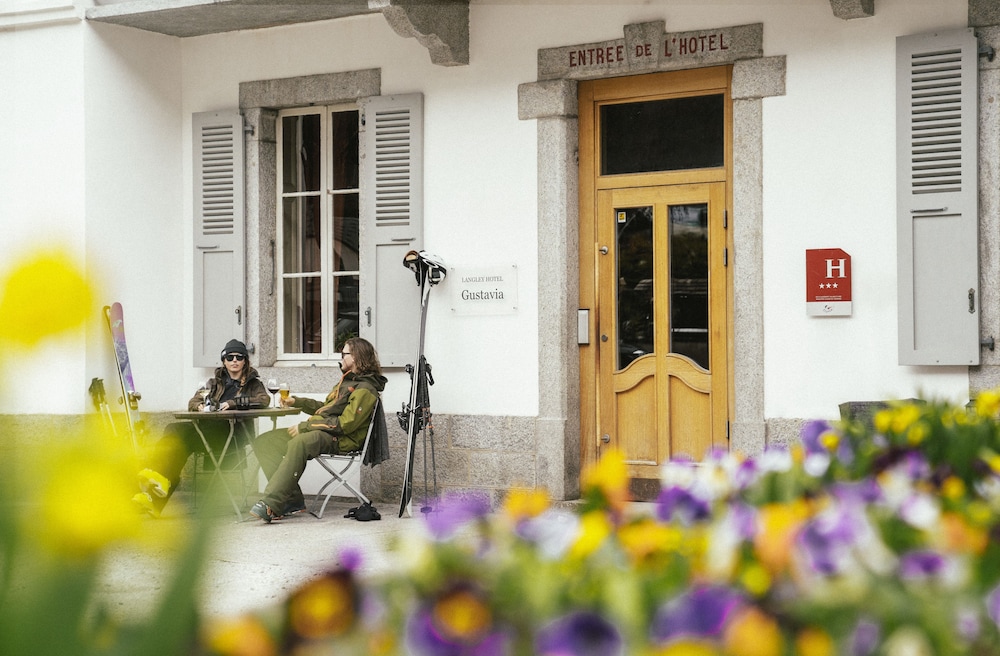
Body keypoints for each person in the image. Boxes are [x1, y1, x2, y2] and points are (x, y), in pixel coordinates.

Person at [250, 337, 386, 523]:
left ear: (355, 357)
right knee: (265, 442)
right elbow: (325, 408)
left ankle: (271, 503)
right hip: (325, 432)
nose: (341, 358)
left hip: (343, 439)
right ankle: (292, 500)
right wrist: (296, 401)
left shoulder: (365, 389)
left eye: (344, 354)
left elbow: (345, 424)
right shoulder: (347, 382)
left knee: (300, 442)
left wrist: (305, 426)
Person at [133, 339, 270, 516]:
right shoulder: (214, 383)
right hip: (206, 432)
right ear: (224, 361)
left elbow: (263, 400)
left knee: (177, 431)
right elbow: (194, 400)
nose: (234, 360)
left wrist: (233, 403)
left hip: (232, 435)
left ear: (245, 361)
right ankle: (156, 494)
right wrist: (198, 407)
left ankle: (157, 481)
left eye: (239, 357)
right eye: (230, 357)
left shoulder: (253, 384)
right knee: (176, 441)